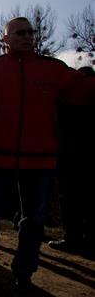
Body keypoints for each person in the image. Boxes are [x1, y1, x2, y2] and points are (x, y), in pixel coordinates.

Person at [0, 17, 95, 291]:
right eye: (19, 32)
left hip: (40, 158)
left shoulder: (53, 69)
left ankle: (24, 273)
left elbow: (83, 91)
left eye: (30, 32)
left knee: (33, 221)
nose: (26, 36)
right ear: (5, 39)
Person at [48, 66, 95, 255]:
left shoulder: (65, 95)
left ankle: (73, 238)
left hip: (68, 152)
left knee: (70, 196)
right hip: (84, 153)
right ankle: (90, 241)